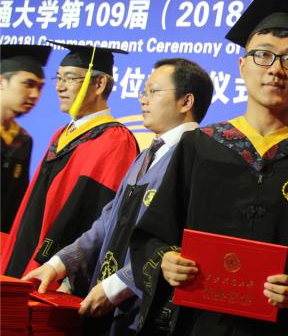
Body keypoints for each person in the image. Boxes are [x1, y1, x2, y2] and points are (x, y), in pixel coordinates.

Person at [130, 0, 288, 335]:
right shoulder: (200, 146)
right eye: (263, 55)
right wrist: (166, 261)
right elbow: (153, 234)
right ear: (242, 66)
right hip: (197, 325)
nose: (276, 69)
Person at [23, 58, 214, 335]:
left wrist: (116, 288)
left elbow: (172, 244)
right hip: (107, 304)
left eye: (153, 91)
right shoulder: (147, 154)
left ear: (186, 102)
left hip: (146, 311)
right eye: (143, 92)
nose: (143, 100)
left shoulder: (199, 160)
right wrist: (57, 264)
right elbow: (108, 220)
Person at [2, 42, 139, 279]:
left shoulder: (115, 140)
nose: (60, 87)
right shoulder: (62, 134)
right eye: (58, 78)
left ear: (99, 84)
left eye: (70, 78)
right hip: (24, 261)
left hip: (57, 275)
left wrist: (67, 272)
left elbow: (101, 217)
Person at [1, 44, 52, 233]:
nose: (35, 95)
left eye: (40, 87)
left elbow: (15, 205)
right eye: (28, 84)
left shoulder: (23, 140)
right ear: (1, 82)